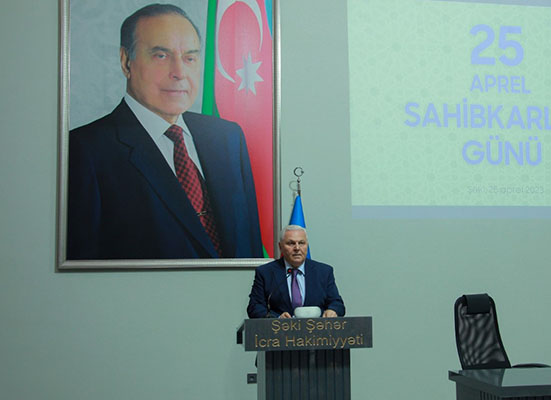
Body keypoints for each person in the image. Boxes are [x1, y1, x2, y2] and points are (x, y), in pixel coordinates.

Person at [67, 4, 262, 259]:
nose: (179, 73)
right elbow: (82, 270)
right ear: (126, 62)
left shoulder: (227, 138)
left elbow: (251, 248)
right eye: (161, 56)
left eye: (190, 58)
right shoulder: (84, 151)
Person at [247, 225, 345, 318]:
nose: (297, 248)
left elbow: (337, 304)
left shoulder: (323, 272)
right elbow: (254, 307)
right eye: (291, 243)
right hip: (279, 329)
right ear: (280, 247)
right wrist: (277, 318)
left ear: (307, 246)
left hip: (317, 329)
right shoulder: (265, 273)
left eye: (301, 243)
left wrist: (333, 310)